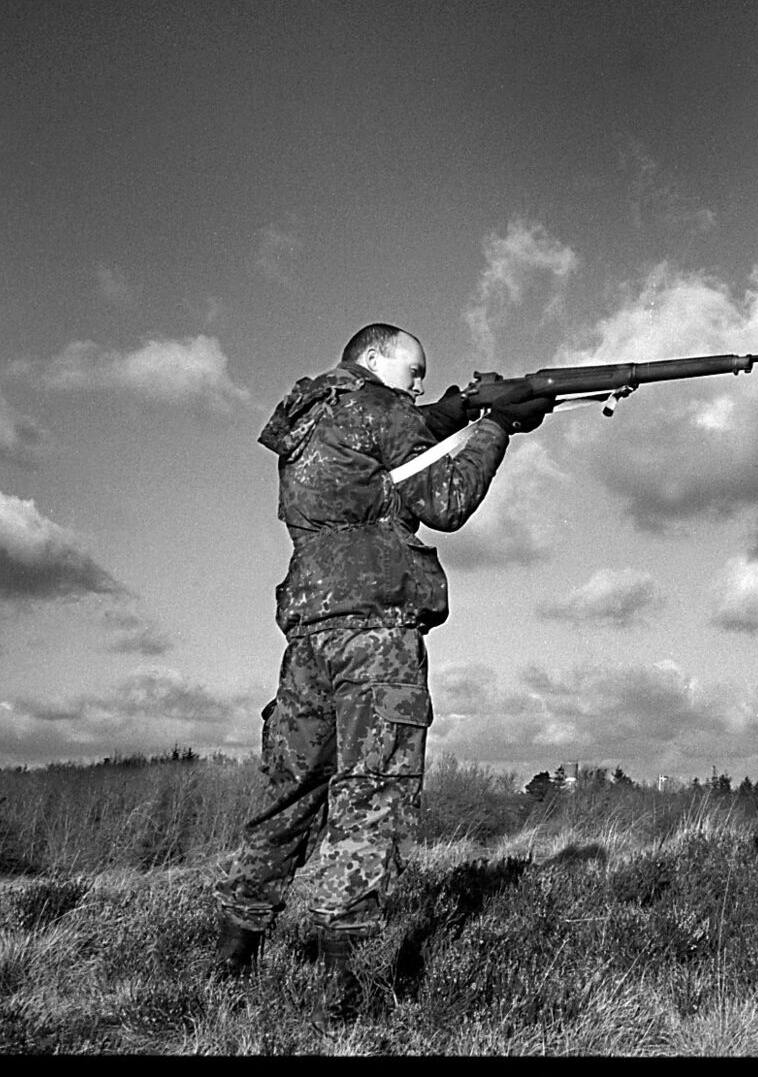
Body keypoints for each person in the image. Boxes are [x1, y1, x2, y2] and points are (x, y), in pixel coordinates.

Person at [212, 322, 550, 1021]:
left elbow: (381, 458)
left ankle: (232, 954)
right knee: (373, 792)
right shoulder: (382, 409)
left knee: (290, 792)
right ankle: (345, 983)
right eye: (413, 370)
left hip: (311, 629)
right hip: (375, 631)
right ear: (372, 358)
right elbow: (446, 500)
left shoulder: (312, 417)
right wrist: (494, 427)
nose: (419, 386)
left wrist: (453, 414)